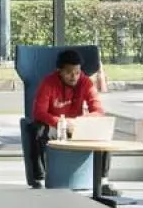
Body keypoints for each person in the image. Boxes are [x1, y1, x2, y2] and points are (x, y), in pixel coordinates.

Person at [23, 47, 103, 190]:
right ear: (59, 71)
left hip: (77, 125)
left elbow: (98, 110)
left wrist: (80, 122)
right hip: (55, 125)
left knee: (102, 130)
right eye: (68, 72)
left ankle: (103, 180)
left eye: (77, 72)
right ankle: (39, 179)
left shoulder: (85, 82)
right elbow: (39, 112)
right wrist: (61, 122)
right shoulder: (48, 83)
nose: (74, 76)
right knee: (36, 129)